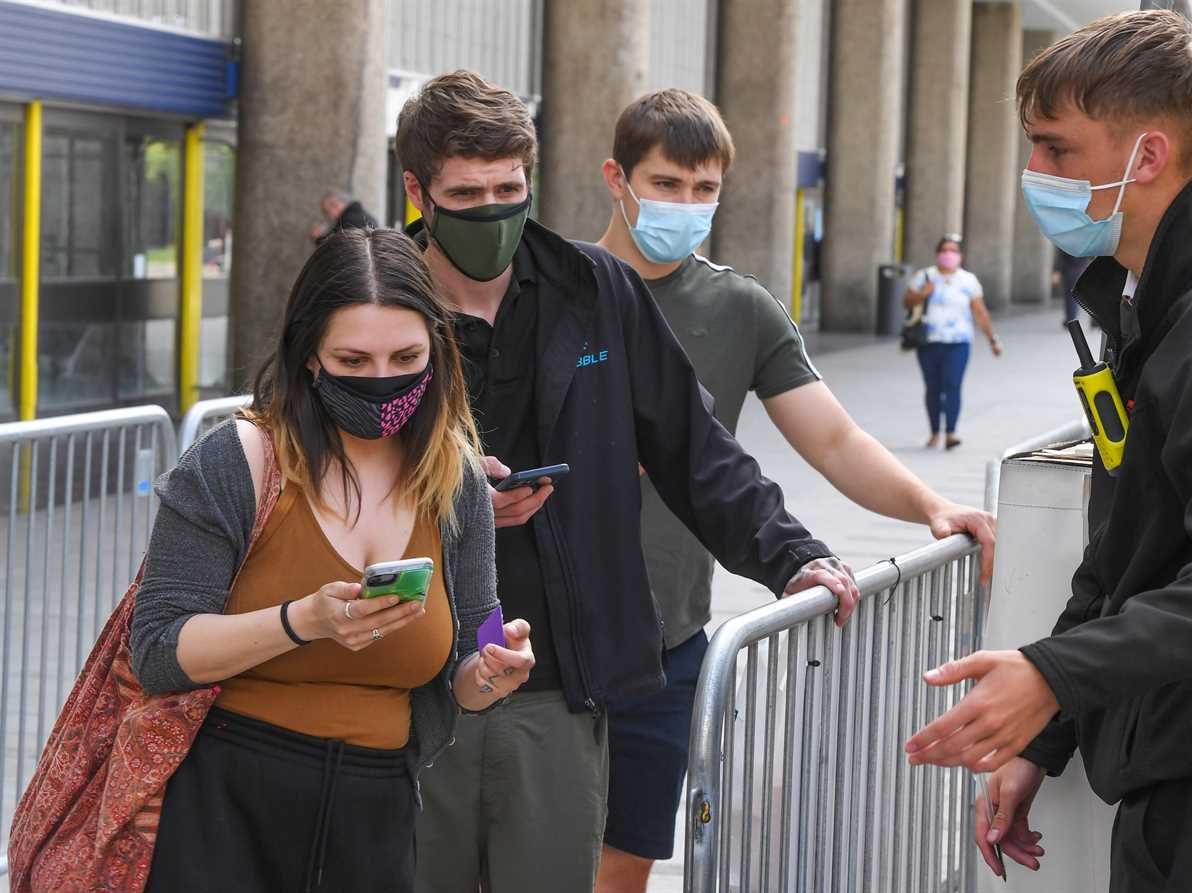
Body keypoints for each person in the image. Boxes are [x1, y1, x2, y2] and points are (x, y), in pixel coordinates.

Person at [395, 71, 859, 893]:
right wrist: (452, 499)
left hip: (559, 679)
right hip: (406, 668)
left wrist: (792, 555)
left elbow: (694, 448)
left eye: (511, 188)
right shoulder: (370, 296)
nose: (495, 211)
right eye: (468, 193)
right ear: (417, 191)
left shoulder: (594, 290)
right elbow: (313, 464)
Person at [904, 11, 1192, 891]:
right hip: (1176, 774)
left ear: (1145, 157)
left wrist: (1051, 674)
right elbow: (1125, 558)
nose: (1035, 174)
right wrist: (1048, 732)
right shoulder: (1149, 308)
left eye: (1057, 150)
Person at [592, 88, 996, 893]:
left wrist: (930, 505)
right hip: (541, 641)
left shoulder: (738, 308)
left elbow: (835, 438)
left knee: (622, 869)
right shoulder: (554, 292)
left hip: (664, 644)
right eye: (667, 184)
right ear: (618, 178)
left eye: (704, 189)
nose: (686, 204)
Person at [130, 228, 534, 891]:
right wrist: (302, 621)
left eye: (406, 356)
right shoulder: (238, 461)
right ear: (309, 356)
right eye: (353, 360)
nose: (382, 381)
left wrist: (498, 658)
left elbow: (478, 631)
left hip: (375, 818)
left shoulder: (455, 480)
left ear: (437, 349)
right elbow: (158, 646)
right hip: (222, 810)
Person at [902, 235, 1002, 450]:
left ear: (960, 255)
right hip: (928, 342)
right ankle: (935, 432)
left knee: (953, 385)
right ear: (938, 254)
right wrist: (922, 294)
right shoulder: (925, 276)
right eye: (945, 250)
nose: (949, 255)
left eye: (953, 251)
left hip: (959, 342)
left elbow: (980, 311)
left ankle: (951, 432)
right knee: (933, 387)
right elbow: (907, 302)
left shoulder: (968, 280)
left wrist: (992, 339)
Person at [310, 188, 379, 242]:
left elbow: (334, 248)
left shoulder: (346, 221)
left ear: (335, 205)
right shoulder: (364, 216)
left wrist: (318, 238)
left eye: (327, 212)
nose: (328, 216)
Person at [1054, 246, 1092, 325]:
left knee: (1070, 296)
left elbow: (1060, 256)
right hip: (1079, 269)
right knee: (1073, 295)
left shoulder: (1065, 240)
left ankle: (1070, 319)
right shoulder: (1085, 240)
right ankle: (1071, 318)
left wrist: (1057, 270)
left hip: (1070, 269)